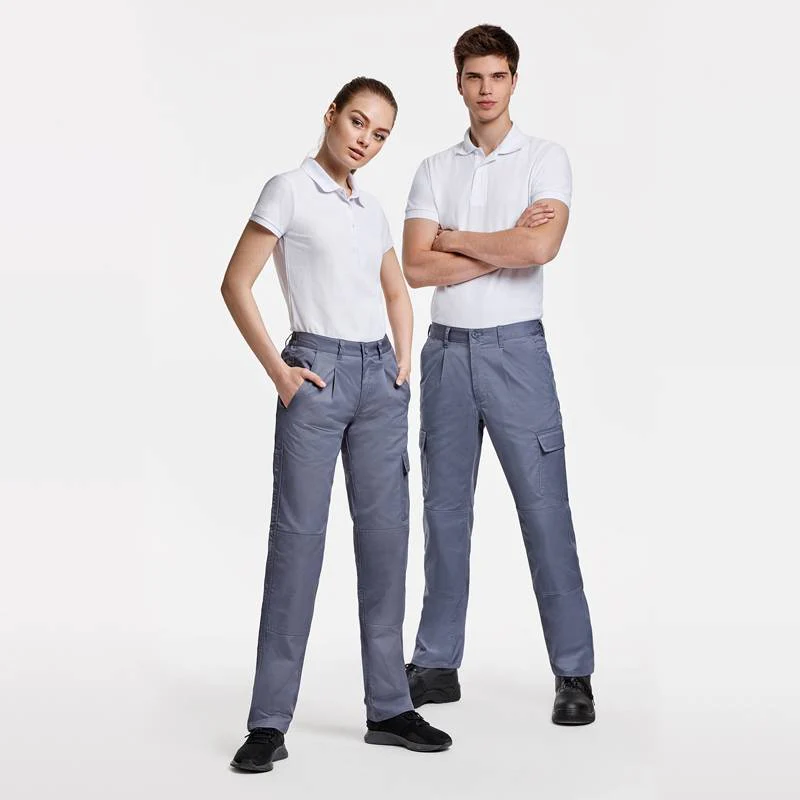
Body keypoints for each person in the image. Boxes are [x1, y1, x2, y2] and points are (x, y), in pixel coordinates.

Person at [220, 76, 452, 773]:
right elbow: (235, 282)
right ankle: (268, 722)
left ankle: (389, 708)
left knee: (386, 543)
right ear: (331, 114)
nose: (365, 141)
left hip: (379, 383)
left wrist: (402, 361)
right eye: (357, 122)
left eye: (380, 135)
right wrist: (280, 372)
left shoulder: (371, 209)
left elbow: (395, 290)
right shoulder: (288, 190)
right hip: (315, 375)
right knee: (297, 546)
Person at [401, 25, 597, 725]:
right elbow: (415, 267)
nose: (486, 89)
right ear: (458, 82)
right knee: (444, 513)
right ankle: (435, 663)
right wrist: (503, 243)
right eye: (474, 76)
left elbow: (540, 247)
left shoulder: (544, 158)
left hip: (517, 354)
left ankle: (574, 673)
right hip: (447, 355)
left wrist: (455, 238)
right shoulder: (434, 169)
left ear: (515, 80)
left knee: (545, 512)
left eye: (498, 76)